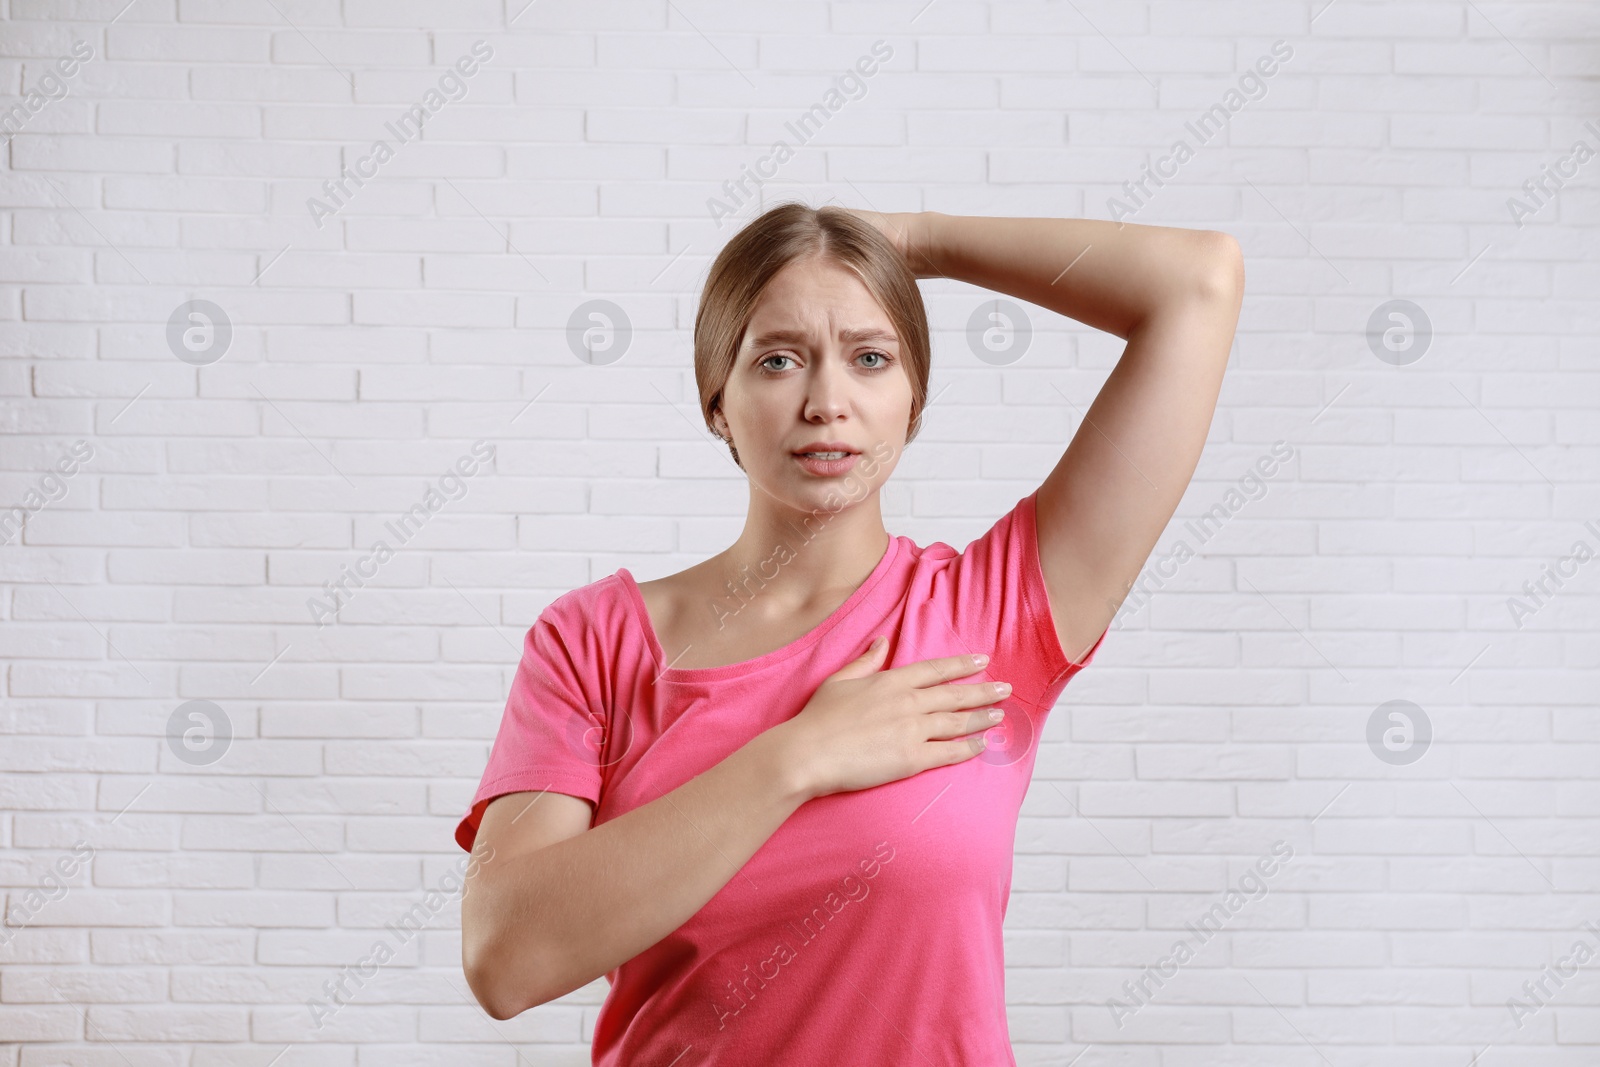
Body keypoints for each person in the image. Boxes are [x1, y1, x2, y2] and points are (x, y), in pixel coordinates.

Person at [456, 203, 1244, 1064]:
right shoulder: (594, 640)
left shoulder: (992, 614)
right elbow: (505, 959)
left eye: (871, 358)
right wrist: (797, 757)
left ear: (913, 401)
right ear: (718, 398)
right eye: (779, 359)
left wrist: (916, 243)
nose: (827, 402)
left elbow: (1199, 283)